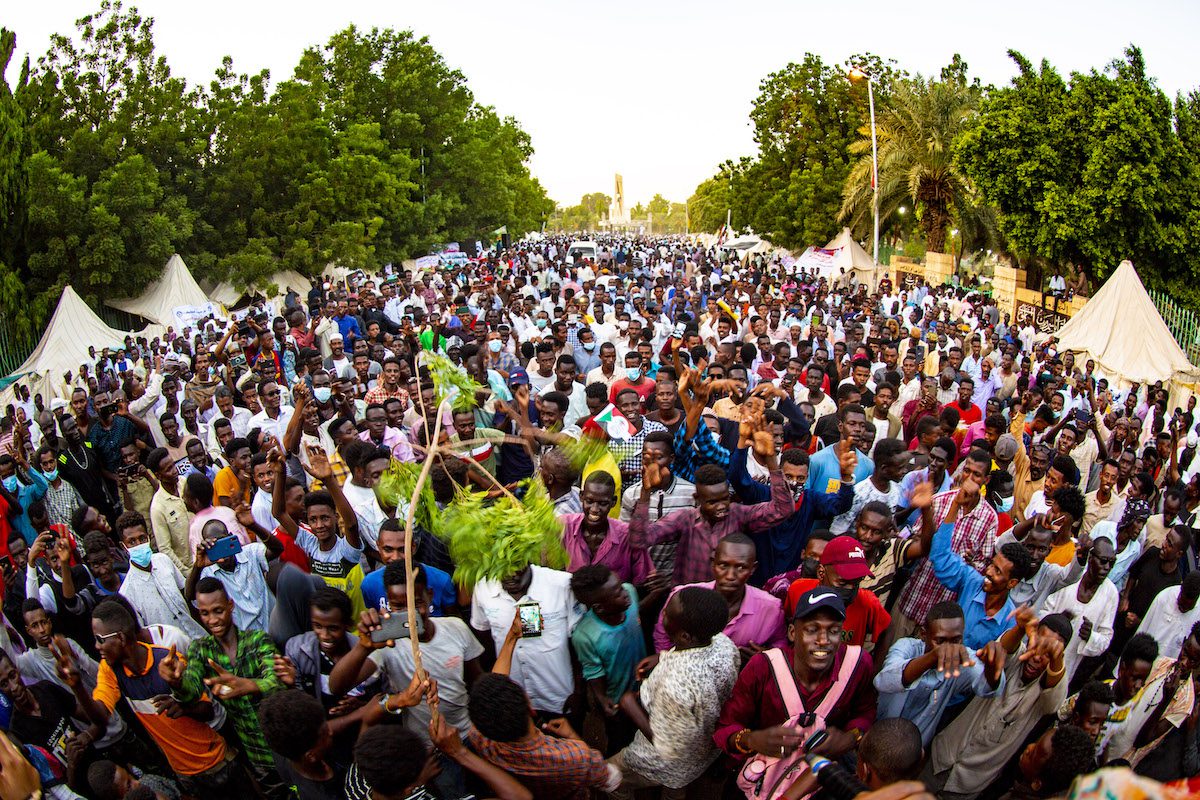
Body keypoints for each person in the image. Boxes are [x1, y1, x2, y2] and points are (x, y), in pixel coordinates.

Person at [55, 600, 252, 799]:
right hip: (185, 774)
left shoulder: (167, 662)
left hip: (217, 763)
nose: (96, 646)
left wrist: (183, 706)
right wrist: (77, 686)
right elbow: (101, 718)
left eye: (100, 639)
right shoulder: (110, 670)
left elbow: (207, 711)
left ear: (121, 638)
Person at [714, 589, 876, 783]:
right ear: (792, 632)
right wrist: (753, 740)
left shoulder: (857, 665)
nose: (823, 641)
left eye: (833, 631)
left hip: (818, 780)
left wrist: (851, 737)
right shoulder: (763, 667)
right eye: (811, 630)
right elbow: (725, 728)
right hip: (761, 780)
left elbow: (865, 711)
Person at [926, 609, 1074, 799]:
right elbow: (999, 652)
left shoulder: (1049, 692)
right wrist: (1021, 627)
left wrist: (1056, 656)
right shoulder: (1016, 655)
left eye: (1047, 654)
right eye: (1037, 644)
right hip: (941, 757)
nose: (1037, 657)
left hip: (968, 785)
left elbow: (1054, 702)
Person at [611, 586, 739, 799]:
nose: (662, 614)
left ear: (685, 636)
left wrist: (630, 705)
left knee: (611, 779)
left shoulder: (676, 687)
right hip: (702, 752)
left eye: (667, 614)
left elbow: (668, 747)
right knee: (675, 789)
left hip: (662, 760)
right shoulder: (724, 644)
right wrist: (665, 657)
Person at [629, 429, 793, 587]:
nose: (721, 507)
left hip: (727, 604)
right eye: (712, 502)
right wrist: (645, 493)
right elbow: (639, 540)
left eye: (724, 499)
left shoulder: (738, 514)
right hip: (690, 602)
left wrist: (772, 462)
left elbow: (782, 510)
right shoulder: (685, 520)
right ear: (698, 499)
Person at [465, 672, 621, 799]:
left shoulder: (479, 738)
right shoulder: (576, 756)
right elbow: (612, 779)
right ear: (531, 709)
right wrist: (573, 736)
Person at [874, 600, 1006, 746]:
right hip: (879, 734)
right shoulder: (906, 647)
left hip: (914, 749)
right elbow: (884, 681)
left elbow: (988, 688)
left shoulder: (962, 657)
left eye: (956, 640)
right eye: (940, 641)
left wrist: (992, 666)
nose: (948, 649)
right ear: (924, 634)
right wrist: (933, 657)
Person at [470, 562, 580, 717]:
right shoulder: (482, 589)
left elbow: (578, 644)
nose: (511, 575)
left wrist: (580, 692)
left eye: (516, 566)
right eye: (502, 569)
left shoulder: (561, 585)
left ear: (528, 559)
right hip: (514, 704)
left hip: (559, 699)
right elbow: (485, 640)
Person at [651, 533, 786, 659]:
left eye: (741, 568)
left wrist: (765, 658)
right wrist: (665, 659)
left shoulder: (771, 609)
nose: (730, 576)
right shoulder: (682, 598)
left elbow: (780, 648)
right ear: (713, 563)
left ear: (753, 569)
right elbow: (662, 635)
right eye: (723, 565)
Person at [569, 565, 646, 754]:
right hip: (619, 699)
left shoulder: (630, 593)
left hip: (645, 690)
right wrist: (603, 699)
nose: (625, 592)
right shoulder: (585, 635)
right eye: (617, 592)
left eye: (620, 585)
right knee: (619, 742)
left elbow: (637, 613)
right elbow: (593, 671)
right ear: (599, 607)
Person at [785, 535, 892, 650]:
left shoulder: (867, 602)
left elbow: (887, 628)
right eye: (842, 583)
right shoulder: (798, 589)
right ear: (821, 573)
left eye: (856, 582)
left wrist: (877, 666)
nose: (851, 588)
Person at [114, 511, 205, 640]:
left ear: (149, 537)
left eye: (142, 538)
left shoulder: (163, 560)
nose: (139, 544)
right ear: (124, 547)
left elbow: (187, 595)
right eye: (132, 542)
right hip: (172, 652)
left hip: (198, 636)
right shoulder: (127, 593)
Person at [559, 471, 651, 584]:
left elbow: (643, 582)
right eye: (589, 501)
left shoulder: (627, 536)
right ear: (581, 497)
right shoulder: (563, 526)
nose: (594, 509)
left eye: (603, 503)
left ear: (613, 502)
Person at [1133, 572, 1200, 659]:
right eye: (1181, 604)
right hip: (1148, 659)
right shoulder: (1164, 597)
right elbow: (1143, 629)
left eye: (1187, 608)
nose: (1183, 609)